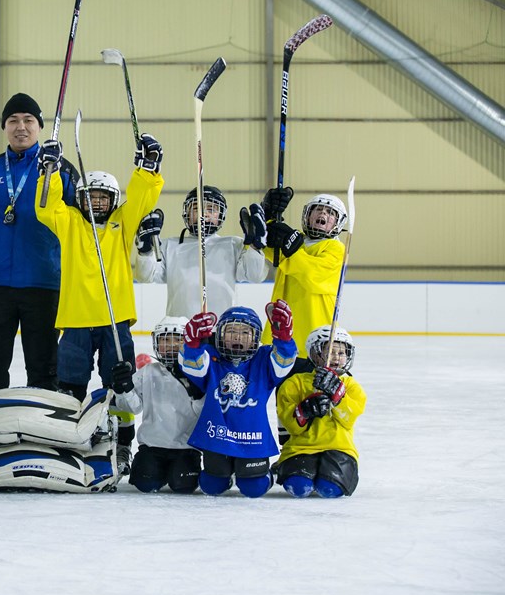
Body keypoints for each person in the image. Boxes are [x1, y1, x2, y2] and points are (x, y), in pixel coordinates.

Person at [34, 132, 164, 473]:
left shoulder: (123, 224)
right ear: (80, 199)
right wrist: (49, 171)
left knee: (119, 383)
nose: (97, 203)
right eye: (90, 197)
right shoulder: (71, 223)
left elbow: (140, 199)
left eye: (104, 198)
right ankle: (69, 437)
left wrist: (147, 169)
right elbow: (47, 206)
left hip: (114, 320)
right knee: (70, 384)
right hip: (76, 320)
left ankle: (122, 443)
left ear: (113, 200)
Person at [0, 93, 78, 394]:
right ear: (4, 127)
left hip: (45, 284)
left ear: (39, 126)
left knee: (44, 368)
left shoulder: (60, 170)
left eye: (28, 120)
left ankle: (45, 431)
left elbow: (81, 229)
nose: (20, 127)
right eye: (13, 120)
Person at [179, 301, 297, 498]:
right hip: (217, 435)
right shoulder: (210, 355)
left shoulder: (264, 357)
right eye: (231, 331)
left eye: (245, 333)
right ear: (220, 335)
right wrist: (192, 345)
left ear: (255, 338)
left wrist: (283, 339)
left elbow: (283, 363)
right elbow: (193, 367)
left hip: (252, 437)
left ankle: (268, 475)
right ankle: (226, 474)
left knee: (254, 488)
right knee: (211, 486)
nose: (237, 337)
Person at [134, 186, 267, 317]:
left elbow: (254, 276)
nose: (204, 214)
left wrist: (256, 246)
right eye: (197, 208)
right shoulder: (169, 245)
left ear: (221, 214)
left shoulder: (233, 244)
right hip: (181, 330)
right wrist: (145, 251)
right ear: (187, 213)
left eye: (211, 209)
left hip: (221, 330)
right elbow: (145, 277)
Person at [112, 316, 204, 494]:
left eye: (178, 339)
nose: (171, 345)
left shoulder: (198, 373)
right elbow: (133, 407)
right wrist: (123, 388)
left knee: (183, 486)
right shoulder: (148, 372)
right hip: (152, 446)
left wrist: (196, 392)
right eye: (165, 339)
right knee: (144, 483)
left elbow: (203, 413)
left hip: (186, 448)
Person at [274, 325, 367, 498]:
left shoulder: (350, 386)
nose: (337, 358)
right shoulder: (295, 383)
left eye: (341, 353)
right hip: (300, 448)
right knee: (299, 487)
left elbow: (348, 419)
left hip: (339, 448)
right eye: (330, 351)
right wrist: (305, 410)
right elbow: (292, 427)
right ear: (315, 354)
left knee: (330, 489)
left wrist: (339, 398)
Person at [260, 190, 348, 355]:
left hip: (315, 334)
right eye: (317, 209)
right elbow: (266, 248)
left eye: (330, 212)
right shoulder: (296, 241)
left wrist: (289, 243)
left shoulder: (335, 248)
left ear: (338, 223)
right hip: (281, 330)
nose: (323, 213)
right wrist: (267, 217)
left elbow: (311, 274)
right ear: (307, 215)